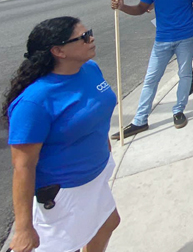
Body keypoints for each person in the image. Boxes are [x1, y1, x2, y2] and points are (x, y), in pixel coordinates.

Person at [4, 17, 121, 252]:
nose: (92, 38)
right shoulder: (34, 101)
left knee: (108, 223)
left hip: (95, 175)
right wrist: (24, 229)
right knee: (68, 247)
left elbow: (95, 111)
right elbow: (23, 167)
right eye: (83, 37)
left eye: (89, 32)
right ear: (58, 51)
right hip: (63, 192)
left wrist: (103, 142)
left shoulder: (89, 68)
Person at [111, 0, 193, 136]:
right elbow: (141, 9)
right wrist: (122, 7)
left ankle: (178, 110)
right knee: (151, 79)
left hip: (186, 37)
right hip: (162, 39)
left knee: (185, 74)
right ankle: (140, 120)